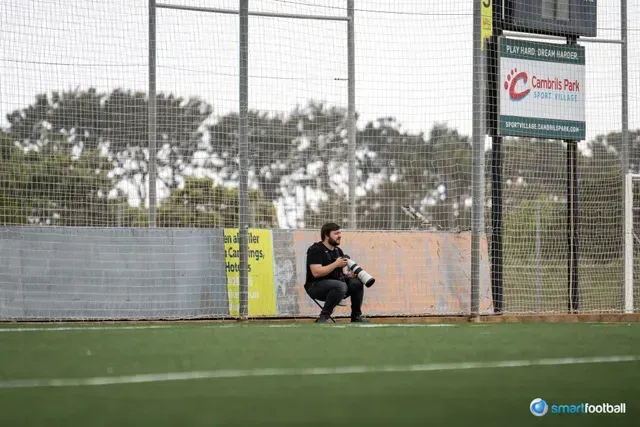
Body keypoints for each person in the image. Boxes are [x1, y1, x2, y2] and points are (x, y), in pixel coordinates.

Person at [304, 222, 369, 323]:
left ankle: (356, 317)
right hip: (315, 287)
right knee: (340, 286)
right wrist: (335, 264)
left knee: (356, 282)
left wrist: (349, 275)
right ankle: (323, 317)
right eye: (336, 233)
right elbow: (316, 272)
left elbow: (341, 274)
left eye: (340, 233)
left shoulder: (338, 251)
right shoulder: (316, 249)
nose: (340, 236)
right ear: (326, 235)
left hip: (336, 285)